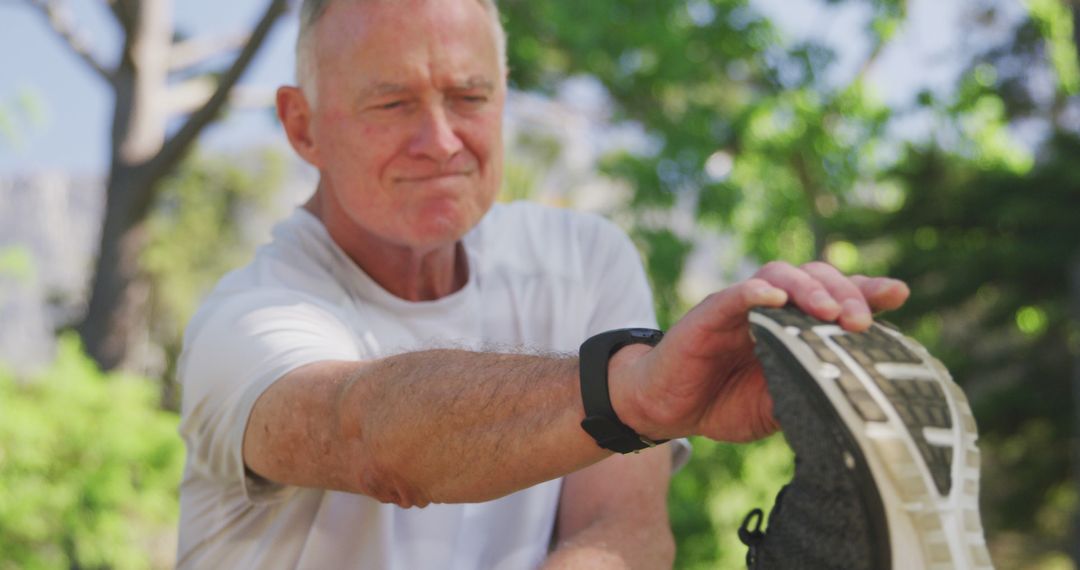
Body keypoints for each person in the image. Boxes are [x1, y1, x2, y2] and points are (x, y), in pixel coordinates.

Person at [174, 0, 909, 568]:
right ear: (302, 127)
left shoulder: (585, 256)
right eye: (392, 103)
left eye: (469, 96)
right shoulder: (245, 321)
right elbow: (364, 431)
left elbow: (619, 529)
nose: (441, 140)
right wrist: (636, 389)